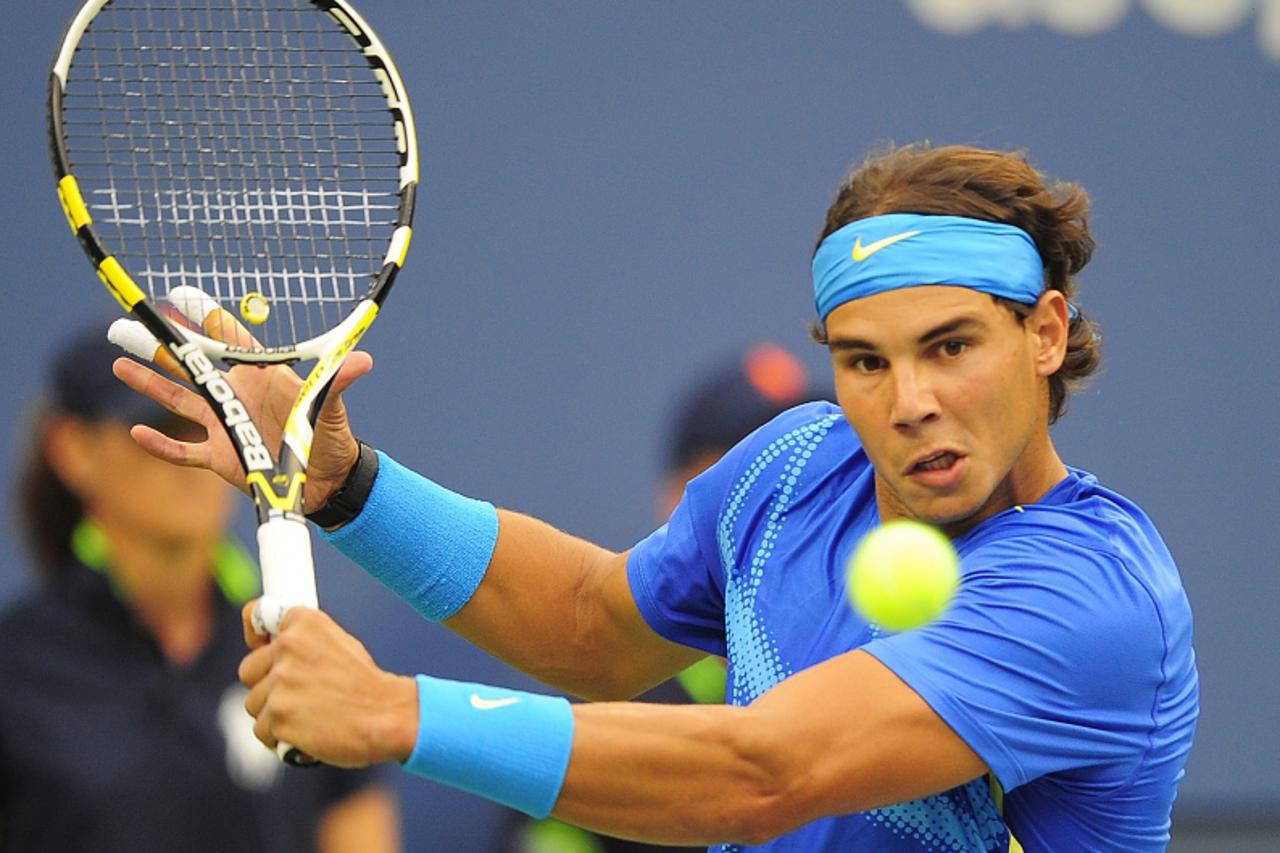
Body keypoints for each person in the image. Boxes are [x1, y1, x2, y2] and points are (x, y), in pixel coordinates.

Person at [115, 142, 1199, 851]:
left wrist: (397, 711)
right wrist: (344, 484)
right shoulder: (794, 465)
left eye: (948, 346)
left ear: (1044, 333)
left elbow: (761, 771)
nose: (906, 400)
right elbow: (593, 629)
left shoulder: (1088, 594)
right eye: (864, 361)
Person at [0, 328, 401, 853]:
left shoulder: (310, 647)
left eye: (212, 424)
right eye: (156, 428)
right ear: (72, 450)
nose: (192, 455)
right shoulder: (14, 666)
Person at [506, 343, 822, 852]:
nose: (784, 498)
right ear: (679, 501)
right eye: (751, 474)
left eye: (808, 472)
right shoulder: (601, 722)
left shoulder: (893, 675)